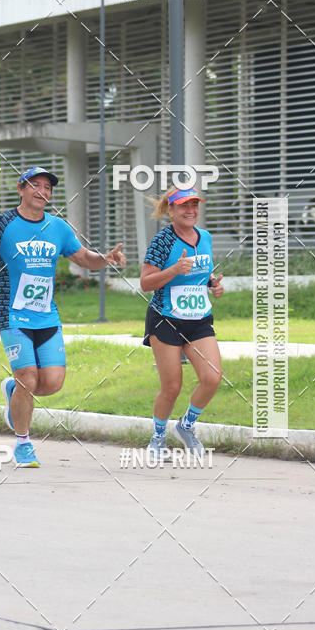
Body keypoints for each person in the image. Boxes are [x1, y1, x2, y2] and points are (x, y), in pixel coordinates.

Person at [0, 166, 126, 468]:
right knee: (27, 377)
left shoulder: (58, 227)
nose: (42, 191)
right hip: (12, 314)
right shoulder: (1, 224)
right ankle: (23, 443)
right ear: (21, 189)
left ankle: (13, 393)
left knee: (51, 383)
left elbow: (83, 258)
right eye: (35, 185)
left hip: (46, 316)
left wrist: (106, 259)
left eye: (47, 187)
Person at [140, 186, 224, 456]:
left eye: (194, 205)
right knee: (172, 386)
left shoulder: (206, 237)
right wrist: (174, 269)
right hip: (166, 318)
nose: (190, 211)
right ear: (171, 209)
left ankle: (186, 425)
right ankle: (158, 436)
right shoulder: (162, 241)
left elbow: (203, 272)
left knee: (212, 378)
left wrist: (213, 284)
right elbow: (145, 282)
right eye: (183, 206)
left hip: (198, 319)